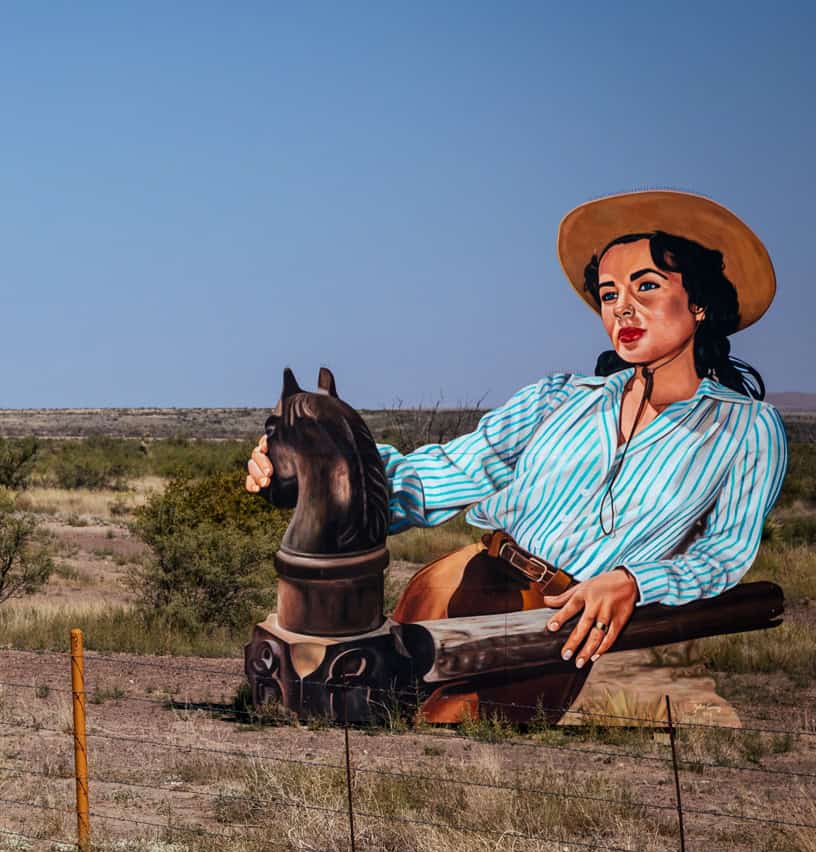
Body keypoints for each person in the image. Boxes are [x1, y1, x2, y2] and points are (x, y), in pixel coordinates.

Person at [244, 190, 787, 720]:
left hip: (563, 618)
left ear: (699, 302)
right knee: (367, 711)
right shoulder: (559, 398)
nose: (623, 307)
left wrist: (636, 581)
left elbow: (724, 552)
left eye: (646, 286)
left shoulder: (746, 429)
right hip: (462, 581)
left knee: (457, 743)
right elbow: (453, 470)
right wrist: (325, 469)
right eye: (608, 293)